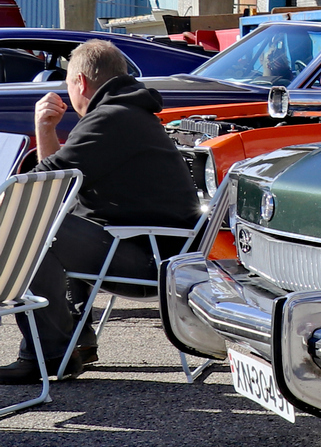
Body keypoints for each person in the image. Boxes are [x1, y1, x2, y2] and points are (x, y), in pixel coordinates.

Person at [0, 41, 201, 383]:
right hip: (160, 252)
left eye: (68, 85)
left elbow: (43, 186)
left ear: (80, 82)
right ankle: (75, 342)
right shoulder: (124, 112)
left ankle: (48, 354)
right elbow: (59, 184)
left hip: (152, 261)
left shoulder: (111, 118)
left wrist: (39, 131)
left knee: (35, 227)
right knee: (60, 219)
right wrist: (46, 129)